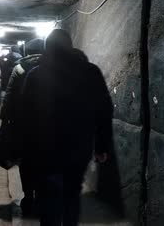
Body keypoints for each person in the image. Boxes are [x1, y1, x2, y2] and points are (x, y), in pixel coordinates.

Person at [21, 29, 113, 226]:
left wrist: (26, 149)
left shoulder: (36, 75)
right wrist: (102, 146)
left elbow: (25, 116)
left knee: (48, 195)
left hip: (45, 148)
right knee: (72, 193)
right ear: (70, 46)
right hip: (79, 147)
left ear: (47, 49)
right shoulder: (91, 72)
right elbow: (104, 110)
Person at [0, 38, 44, 216]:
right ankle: (41, 195)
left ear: (27, 51)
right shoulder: (52, 67)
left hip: (23, 123)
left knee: (26, 162)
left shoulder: (19, 68)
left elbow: (9, 96)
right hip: (46, 123)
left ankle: (28, 197)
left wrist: (4, 120)